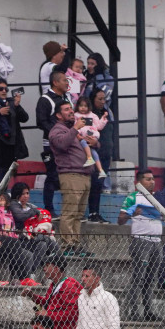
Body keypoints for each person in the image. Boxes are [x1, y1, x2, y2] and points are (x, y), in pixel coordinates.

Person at [118, 169, 165, 321]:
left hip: (157, 242)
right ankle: (133, 311)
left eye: (153, 179)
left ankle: (148, 311)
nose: (152, 182)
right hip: (141, 241)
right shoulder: (133, 197)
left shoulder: (158, 199)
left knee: (151, 279)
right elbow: (120, 219)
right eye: (148, 179)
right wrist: (133, 213)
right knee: (139, 277)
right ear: (138, 182)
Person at [49, 101, 95, 255]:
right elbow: (62, 144)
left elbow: (89, 147)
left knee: (78, 214)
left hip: (84, 175)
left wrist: (95, 143)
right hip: (71, 175)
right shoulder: (57, 130)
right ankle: (67, 246)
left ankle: (75, 244)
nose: (70, 111)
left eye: (71, 109)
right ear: (58, 115)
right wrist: (75, 128)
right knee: (70, 212)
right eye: (66, 109)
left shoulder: (73, 131)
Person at [35, 70, 72, 216]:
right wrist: (57, 135)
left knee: (67, 176)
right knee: (52, 175)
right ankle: (49, 209)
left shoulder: (66, 98)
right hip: (50, 145)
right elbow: (41, 122)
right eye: (64, 80)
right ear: (55, 82)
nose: (67, 83)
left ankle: (67, 210)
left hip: (68, 144)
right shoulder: (45, 100)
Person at [23, 254, 82, 329]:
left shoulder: (69, 286)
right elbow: (47, 303)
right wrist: (32, 296)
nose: (44, 269)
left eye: (47, 266)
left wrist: (47, 315)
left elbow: (72, 313)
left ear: (56, 268)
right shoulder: (54, 285)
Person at [88, 87, 115, 221]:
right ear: (93, 99)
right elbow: (85, 131)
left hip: (106, 154)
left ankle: (96, 212)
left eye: (104, 99)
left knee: (99, 184)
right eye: (99, 99)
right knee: (93, 183)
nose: (102, 101)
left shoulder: (106, 113)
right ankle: (92, 212)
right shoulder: (89, 115)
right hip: (95, 154)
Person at [73, 95, 108, 180]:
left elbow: (99, 126)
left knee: (83, 142)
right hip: (83, 135)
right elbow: (75, 126)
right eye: (81, 106)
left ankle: (89, 158)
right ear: (77, 106)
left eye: (85, 106)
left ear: (89, 107)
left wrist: (103, 119)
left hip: (92, 134)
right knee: (93, 152)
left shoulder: (93, 115)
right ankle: (101, 170)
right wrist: (78, 134)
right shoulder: (76, 115)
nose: (83, 108)